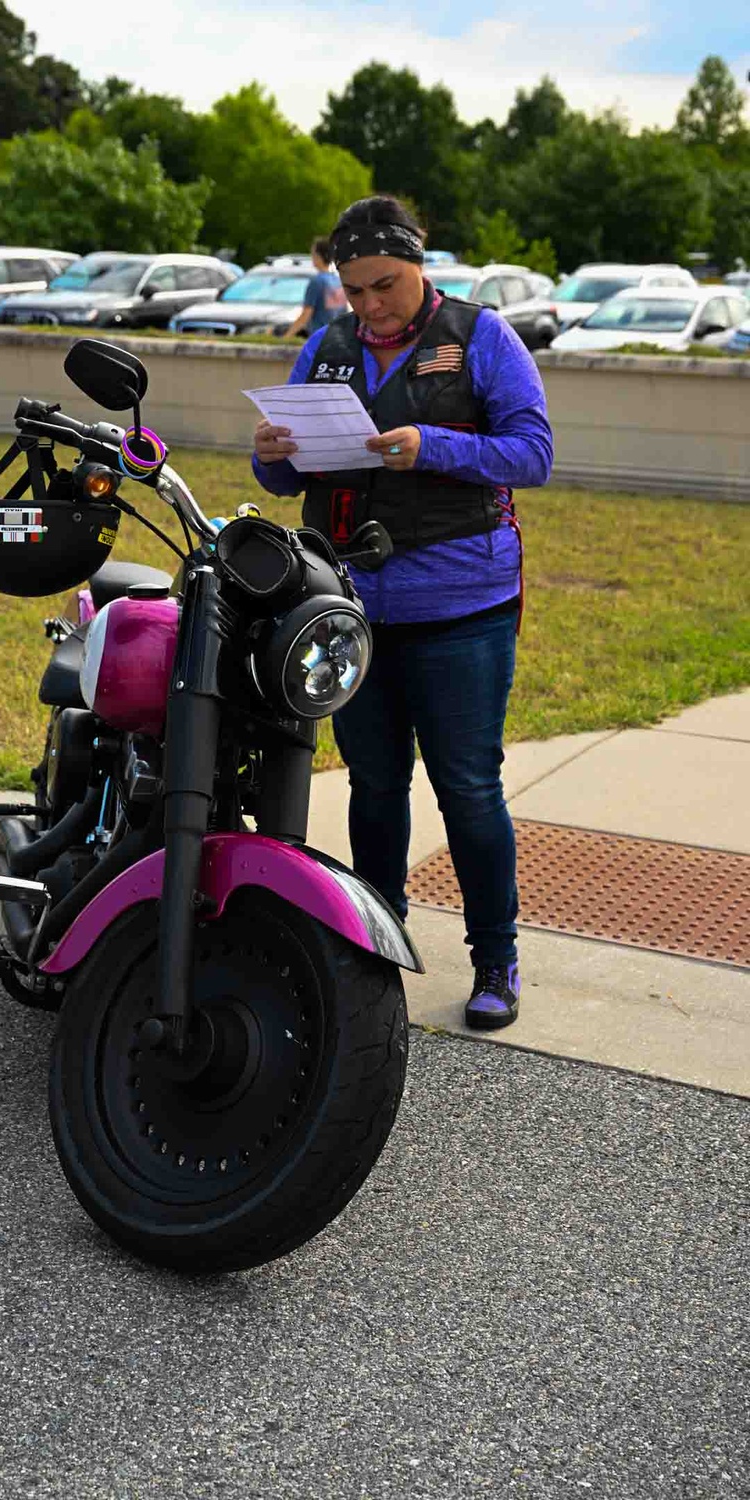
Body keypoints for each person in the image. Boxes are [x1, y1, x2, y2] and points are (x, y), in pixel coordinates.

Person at [251, 195, 553, 1031]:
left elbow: (534, 453)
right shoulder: (328, 346)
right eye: (354, 289)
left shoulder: (481, 337)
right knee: (374, 785)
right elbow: (286, 479)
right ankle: (374, 946)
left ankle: (497, 959)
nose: (370, 304)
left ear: (420, 264)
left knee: (466, 787)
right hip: (353, 609)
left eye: (385, 283)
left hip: (463, 606)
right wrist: (272, 455)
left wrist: (435, 446)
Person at [281, 237, 348, 339]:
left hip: (320, 339)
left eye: (313, 253)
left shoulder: (316, 282)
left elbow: (305, 316)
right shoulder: (338, 281)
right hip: (337, 338)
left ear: (318, 256)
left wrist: (286, 337)